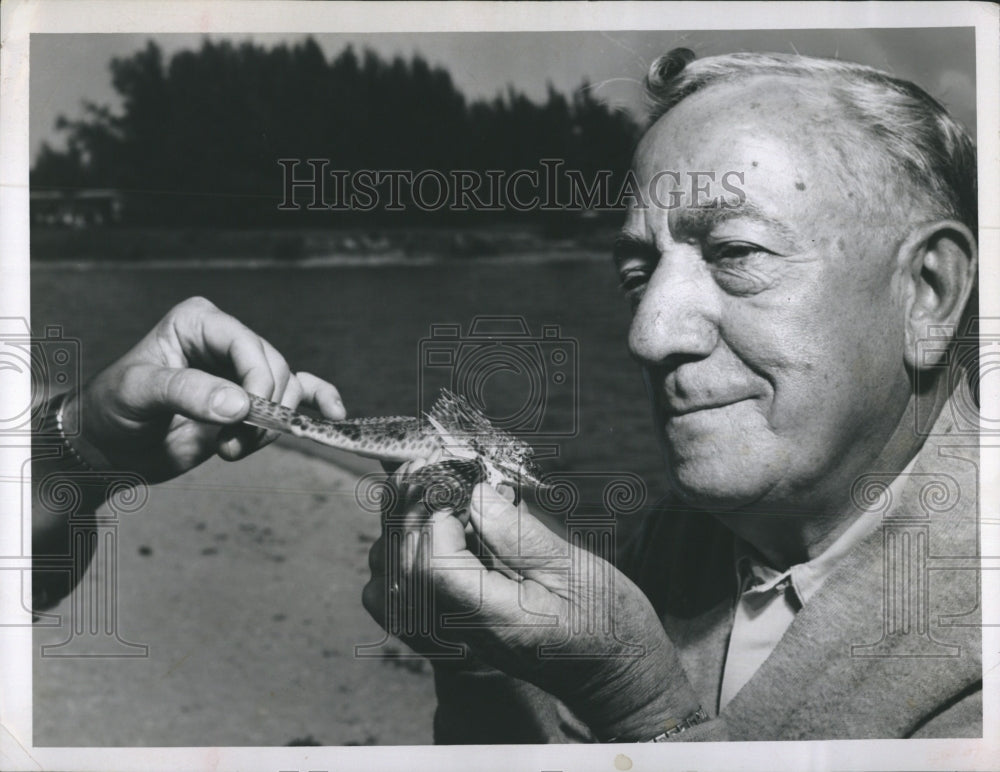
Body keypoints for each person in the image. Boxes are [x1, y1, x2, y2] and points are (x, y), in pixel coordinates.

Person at [33, 49, 980, 742]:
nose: (647, 333)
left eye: (736, 253)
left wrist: (640, 704)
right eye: (635, 269)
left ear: (929, 293)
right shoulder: (680, 540)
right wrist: (474, 655)